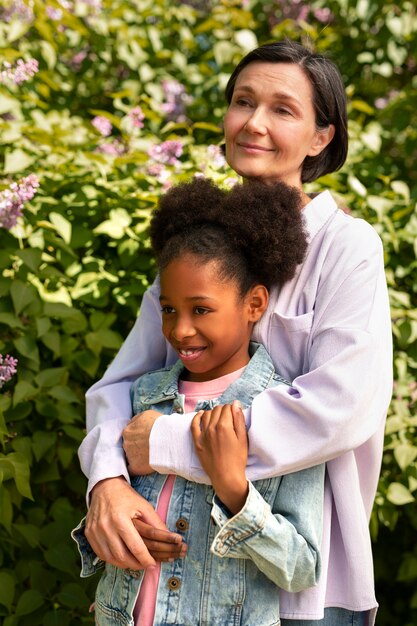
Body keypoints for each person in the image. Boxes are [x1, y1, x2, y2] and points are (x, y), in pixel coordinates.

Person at [78, 40, 393, 625]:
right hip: (177, 574)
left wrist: (169, 442)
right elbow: (120, 387)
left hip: (301, 585)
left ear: (322, 137)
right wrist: (107, 483)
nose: (254, 123)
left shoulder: (347, 248)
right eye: (242, 102)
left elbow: (344, 408)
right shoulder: (198, 246)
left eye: (283, 109)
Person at [74, 177, 326, 625]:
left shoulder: (283, 413)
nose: (180, 330)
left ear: (254, 304)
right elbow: (109, 516)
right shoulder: (143, 396)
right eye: (169, 309)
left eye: (201, 309)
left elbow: (302, 569)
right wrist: (118, 536)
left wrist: (234, 492)